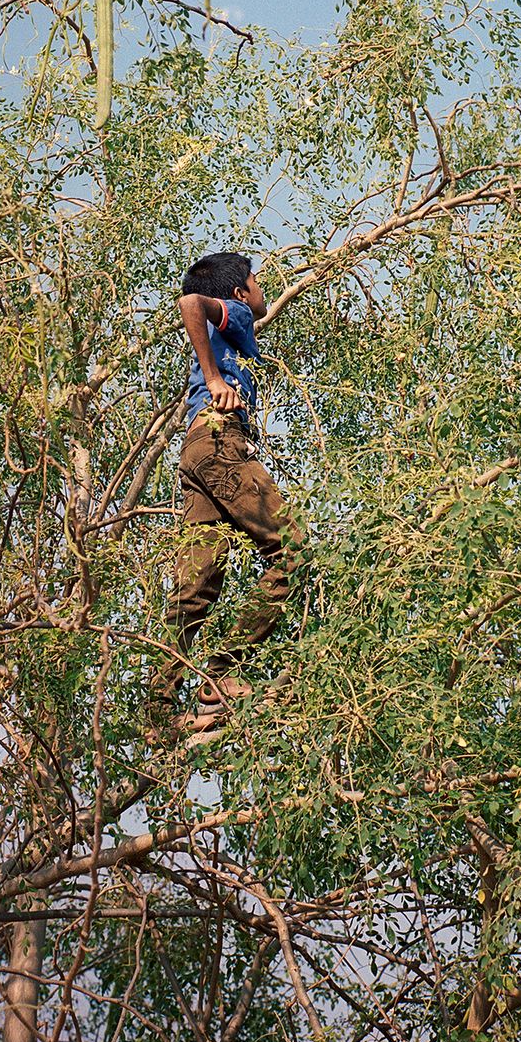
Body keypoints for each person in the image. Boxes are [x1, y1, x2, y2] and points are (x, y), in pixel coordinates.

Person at [151, 251, 302, 727]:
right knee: (292, 547)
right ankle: (223, 671)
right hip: (219, 441)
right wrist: (215, 378)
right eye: (258, 282)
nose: (263, 291)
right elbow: (192, 303)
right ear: (239, 293)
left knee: (196, 586)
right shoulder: (234, 312)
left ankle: (155, 711)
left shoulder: (236, 331)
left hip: (196, 453)